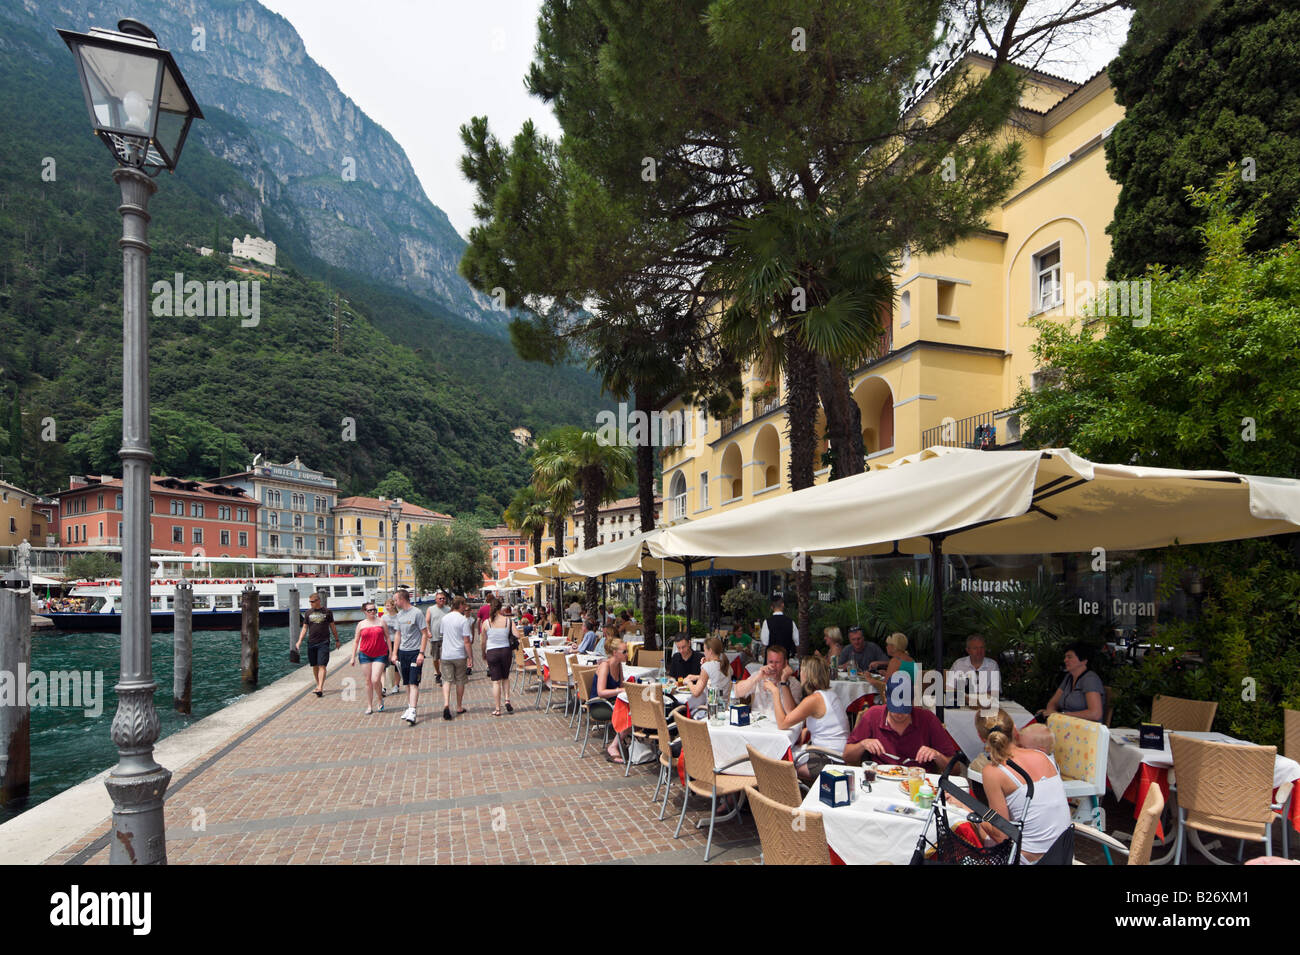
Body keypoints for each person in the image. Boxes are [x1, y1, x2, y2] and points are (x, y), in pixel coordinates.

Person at [975, 709, 1072, 863]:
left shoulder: (993, 772)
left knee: (974, 828)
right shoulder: (1042, 756)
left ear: (982, 738)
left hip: (1029, 859)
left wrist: (971, 814)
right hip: (1063, 855)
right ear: (1014, 729)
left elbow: (1001, 835)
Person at [843, 672, 958, 771]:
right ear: (885, 697)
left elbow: (956, 769)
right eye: (895, 707)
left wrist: (937, 755)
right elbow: (847, 757)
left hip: (918, 784)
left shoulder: (928, 719)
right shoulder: (873, 716)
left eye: (904, 708)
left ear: (913, 701)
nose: (899, 714)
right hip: (881, 780)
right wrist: (862, 744)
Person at [769, 655, 851, 779]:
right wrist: (784, 682)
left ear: (807, 674)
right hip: (837, 753)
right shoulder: (828, 694)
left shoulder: (814, 700)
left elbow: (782, 723)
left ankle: (786, 797)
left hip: (829, 759)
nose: (800, 674)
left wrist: (775, 692)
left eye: (802, 671)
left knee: (778, 763)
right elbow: (792, 712)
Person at [384, 588, 430, 726]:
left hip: (415, 652)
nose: (394, 602)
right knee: (406, 684)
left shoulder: (416, 613)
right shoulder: (400, 615)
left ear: (402, 599)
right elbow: (398, 634)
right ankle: (409, 707)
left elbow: (424, 633)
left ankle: (413, 710)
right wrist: (394, 653)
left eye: (396, 599)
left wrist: (421, 653)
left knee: (413, 682)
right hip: (403, 653)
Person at [734, 644, 802, 720]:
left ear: (785, 663)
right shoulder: (759, 675)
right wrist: (757, 677)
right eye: (771, 662)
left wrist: (784, 682)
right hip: (758, 724)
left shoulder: (793, 683)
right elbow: (736, 692)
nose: (773, 666)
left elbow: (791, 712)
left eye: (777, 662)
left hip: (779, 725)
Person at [481, 598, 523, 717]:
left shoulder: (486, 623)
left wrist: (483, 653)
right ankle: (507, 700)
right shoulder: (508, 621)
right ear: (500, 608)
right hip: (505, 651)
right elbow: (517, 635)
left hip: (492, 652)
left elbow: (483, 642)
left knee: (495, 682)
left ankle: (498, 708)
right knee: (505, 677)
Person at [589, 637, 629, 763]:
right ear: (615, 653)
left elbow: (622, 686)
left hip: (613, 702)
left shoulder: (619, 666)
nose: (627, 654)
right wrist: (619, 691)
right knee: (632, 715)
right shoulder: (605, 666)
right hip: (600, 704)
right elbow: (601, 692)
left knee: (637, 711)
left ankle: (630, 743)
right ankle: (613, 746)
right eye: (624, 652)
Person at [1043, 643, 1105, 722]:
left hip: (1085, 729)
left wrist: (1061, 715)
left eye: (1069, 657)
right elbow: (1053, 702)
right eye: (1065, 657)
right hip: (1066, 724)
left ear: (1083, 661)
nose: (1065, 660)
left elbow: (1095, 714)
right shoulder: (1069, 677)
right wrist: (1051, 714)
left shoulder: (1090, 679)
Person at [294, 592, 338, 697]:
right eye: (310, 602)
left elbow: (332, 626)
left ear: (318, 601)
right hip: (311, 642)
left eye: (313, 601)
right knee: (314, 666)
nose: (311, 603)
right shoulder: (308, 613)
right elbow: (305, 628)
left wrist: (337, 640)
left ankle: (320, 688)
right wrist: (299, 641)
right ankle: (318, 684)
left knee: (322, 665)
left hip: (324, 642)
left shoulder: (327, 612)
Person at [350, 602, 389, 714]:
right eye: (370, 610)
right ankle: (369, 705)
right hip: (365, 654)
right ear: (364, 612)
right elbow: (356, 641)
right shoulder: (361, 624)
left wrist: (391, 653)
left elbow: (387, 637)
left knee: (375, 679)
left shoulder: (381, 622)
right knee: (368, 681)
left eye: (374, 610)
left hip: (380, 654)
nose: (372, 612)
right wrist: (352, 657)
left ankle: (380, 699)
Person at [439, 596, 474, 720]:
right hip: (459, 654)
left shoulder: (444, 619)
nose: (465, 607)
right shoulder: (463, 620)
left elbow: (442, 634)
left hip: (446, 654)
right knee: (460, 680)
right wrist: (470, 657)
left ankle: (446, 704)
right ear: (460, 605)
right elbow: (466, 641)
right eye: (464, 605)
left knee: (447, 680)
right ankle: (459, 706)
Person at [683, 637, 732, 716]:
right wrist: (697, 676)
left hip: (710, 711)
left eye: (705, 650)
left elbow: (696, 692)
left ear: (710, 651)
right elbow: (716, 678)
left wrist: (688, 682)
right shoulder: (727, 666)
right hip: (724, 709)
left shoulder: (707, 666)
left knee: (687, 708)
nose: (704, 653)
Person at [949, 633, 1001, 701]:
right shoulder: (958, 664)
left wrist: (978, 699)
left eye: (982, 647)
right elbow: (950, 688)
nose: (979, 651)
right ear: (968, 650)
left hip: (986, 704)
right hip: (962, 704)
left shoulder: (993, 665)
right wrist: (967, 698)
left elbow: (996, 691)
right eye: (975, 648)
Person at [425, 590, 450, 686]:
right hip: (434, 638)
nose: (442, 600)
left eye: (443, 598)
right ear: (436, 599)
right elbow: (427, 621)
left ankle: (444, 676)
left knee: (444, 658)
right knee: (435, 658)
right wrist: (428, 632)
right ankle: (438, 672)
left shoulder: (448, 609)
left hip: (445, 638)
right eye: (440, 598)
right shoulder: (430, 609)